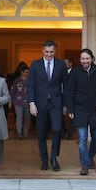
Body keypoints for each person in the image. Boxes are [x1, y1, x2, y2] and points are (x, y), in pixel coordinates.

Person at [27, 40, 68, 171]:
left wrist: (66, 104)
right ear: (42, 51)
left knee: (57, 129)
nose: (49, 54)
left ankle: (54, 158)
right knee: (41, 133)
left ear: (55, 51)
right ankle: (44, 160)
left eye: (51, 52)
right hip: (40, 104)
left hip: (56, 103)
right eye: (47, 52)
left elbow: (66, 86)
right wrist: (32, 103)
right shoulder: (35, 65)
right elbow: (31, 85)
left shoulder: (61, 64)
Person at [67, 48, 96, 175]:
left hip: (95, 109)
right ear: (80, 60)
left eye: (87, 58)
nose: (85, 61)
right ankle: (84, 164)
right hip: (80, 109)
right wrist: (70, 109)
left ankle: (89, 157)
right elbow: (70, 92)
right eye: (83, 59)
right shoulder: (75, 72)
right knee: (82, 138)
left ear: (92, 59)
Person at [9, 64, 30, 139]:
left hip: (28, 103)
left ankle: (26, 133)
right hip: (18, 102)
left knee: (27, 118)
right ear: (22, 72)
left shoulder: (30, 81)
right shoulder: (17, 81)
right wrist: (10, 101)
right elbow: (12, 91)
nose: (28, 73)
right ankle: (19, 133)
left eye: (28, 72)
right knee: (19, 117)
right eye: (26, 72)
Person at [63, 58, 74, 139]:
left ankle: (70, 134)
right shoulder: (61, 73)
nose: (64, 65)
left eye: (66, 63)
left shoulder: (75, 73)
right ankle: (64, 131)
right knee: (60, 116)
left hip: (72, 99)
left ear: (70, 63)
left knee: (71, 117)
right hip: (62, 99)